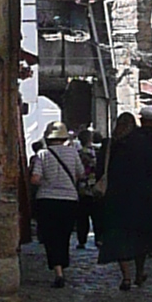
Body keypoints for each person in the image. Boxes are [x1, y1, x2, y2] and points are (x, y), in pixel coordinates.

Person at [99, 109, 152, 290]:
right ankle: (139, 272)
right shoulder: (143, 143)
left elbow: (100, 170)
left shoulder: (110, 144)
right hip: (142, 198)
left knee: (120, 238)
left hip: (117, 199)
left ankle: (126, 277)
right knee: (141, 238)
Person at [29, 120, 85, 287]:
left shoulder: (43, 154)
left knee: (50, 237)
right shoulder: (73, 153)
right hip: (69, 200)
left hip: (47, 200)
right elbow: (81, 174)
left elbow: (35, 179)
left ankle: (58, 270)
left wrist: (48, 181)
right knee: (64, 235)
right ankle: (63, 265)